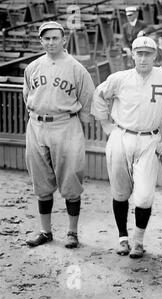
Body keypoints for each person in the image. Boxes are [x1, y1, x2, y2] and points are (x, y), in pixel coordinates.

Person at [91, 36, 162, 258]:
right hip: (121, 136)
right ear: (132, 55)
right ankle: (123, 238)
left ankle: (138, 241)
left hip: (150, 140)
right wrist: (106, 125)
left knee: (144, 197)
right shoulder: (119, 78)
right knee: (120, 192)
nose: (143, 58)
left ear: (155, 56)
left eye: (148, 53)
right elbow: (99, 96)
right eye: (138, 53)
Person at [23, 21, 95, 249]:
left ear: (64, 40)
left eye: (55, 38)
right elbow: (28, 97)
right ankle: (45, 231)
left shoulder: (76, 68)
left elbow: (88, 101)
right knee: (41, 182)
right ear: (41, 41)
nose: (51, 42)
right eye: (47, 38)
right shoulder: (32, 67)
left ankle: (72, 232)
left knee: (71, 180)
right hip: (36, 126)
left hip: (66, 125)